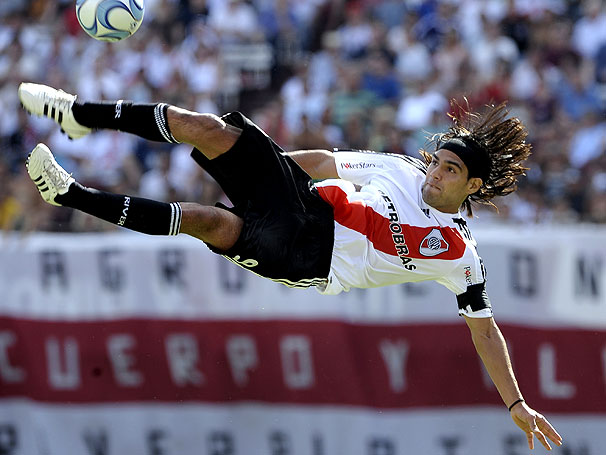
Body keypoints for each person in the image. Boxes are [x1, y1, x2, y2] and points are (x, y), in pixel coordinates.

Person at [18, 82, 562, 450]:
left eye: (449, 171)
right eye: (438, 161)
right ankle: (79, 115)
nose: (434, 174)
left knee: (207, 222)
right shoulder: (400, 169)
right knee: (205, 128)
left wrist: (515, 402)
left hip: (311, 259)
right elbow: (325, 163)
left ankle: (68, 195)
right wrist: (257, 172)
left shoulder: (460, 255)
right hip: (305, 201)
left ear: (472, 185)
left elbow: (485, 330)